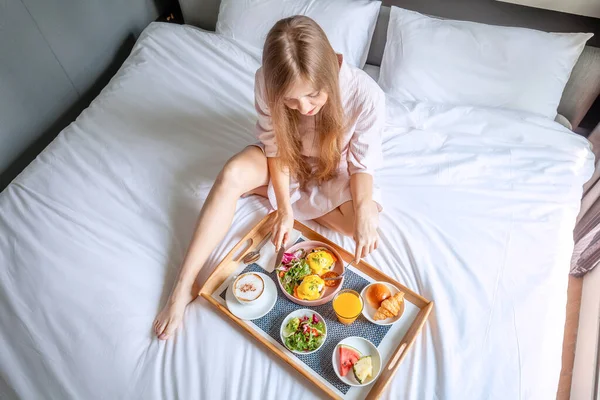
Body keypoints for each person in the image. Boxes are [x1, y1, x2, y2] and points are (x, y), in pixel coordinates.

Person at [154, 15, 385, 340]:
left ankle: (275, 195)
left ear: (330, 72)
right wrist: (286, 209)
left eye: (313, 95)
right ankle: (182, 285)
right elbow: (275, 149)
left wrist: (362, 210)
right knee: (233, 173)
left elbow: (362, 166)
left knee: (359, 221)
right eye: (291, 100)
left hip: (333, 171)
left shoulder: (366, 96)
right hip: (285, 163)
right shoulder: (266, 80)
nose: (303, 108)